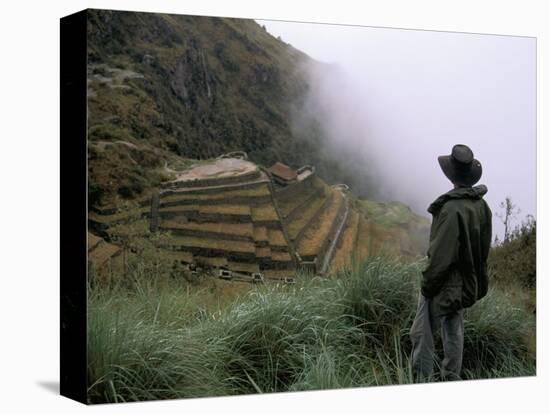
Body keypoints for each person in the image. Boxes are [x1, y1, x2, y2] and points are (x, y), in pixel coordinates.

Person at [410, 144, 492, 381]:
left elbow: (440, 257)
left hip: (444, 283)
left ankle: (420, 381)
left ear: (452, 176)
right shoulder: (481, 206)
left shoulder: (451, 210)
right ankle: (451, 379)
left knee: (422, 334)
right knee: (454, 331)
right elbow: (482, 248)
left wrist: (427, 286)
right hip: (466, 283)